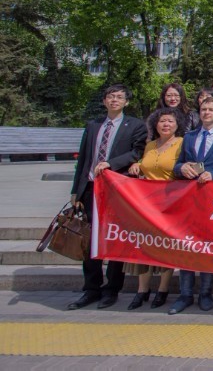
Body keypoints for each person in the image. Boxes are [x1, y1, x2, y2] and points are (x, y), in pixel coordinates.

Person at [67, 84, 148, 311]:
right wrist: (76, 190)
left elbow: (136, 152)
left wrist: (112, 164)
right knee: (90, 238)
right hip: (91, 187)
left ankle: (112, 288)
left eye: (119, 97)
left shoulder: (135, 126)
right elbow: (83, 158)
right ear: (104, 101)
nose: (114, 100)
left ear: (126, 102)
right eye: (110, 97)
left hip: (116, 189)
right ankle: (91, 288)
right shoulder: (93, 125)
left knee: (115, 237)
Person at [169, 96, 213, 314]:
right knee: (186, 246)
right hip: (189, 199)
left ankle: (206, 293)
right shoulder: (188, 138)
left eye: (211, 109)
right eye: (203, 109)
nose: (206, 112)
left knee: (208, 246)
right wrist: (181, 168)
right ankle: (185, 294)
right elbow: (177, 165)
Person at [123, 107, 182, 311]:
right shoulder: (149, 146)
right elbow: (147, 164)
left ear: (177, 125)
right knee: (144, 246)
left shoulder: (182, 144)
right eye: (162, 121)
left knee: (166, 247)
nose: (166, 125)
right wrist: (137, 164)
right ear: (156, 125)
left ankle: (163, 289)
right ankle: (142, 290)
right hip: (146, 205)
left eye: (170, 122)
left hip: (169, 203)